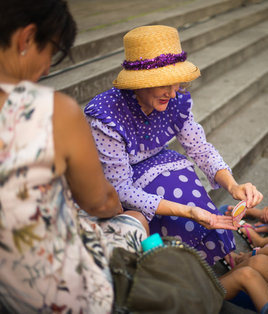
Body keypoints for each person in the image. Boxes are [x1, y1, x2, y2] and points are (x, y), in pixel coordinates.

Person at [0, 1, 149, 312]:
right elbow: (100, 202)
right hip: (56, 294)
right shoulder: (51, 111)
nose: (45, 69)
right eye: (53, 53)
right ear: (27, 38)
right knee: (135, 219)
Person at [84, 24, 263, 265]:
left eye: (175, 82)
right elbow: (121, 188)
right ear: (140, 83)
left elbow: (200, 148)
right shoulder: (107, 116)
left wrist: (232, 185)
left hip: (159, 164)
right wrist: (186, 211)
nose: (172, 92)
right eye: (163, 83)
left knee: (187, 187)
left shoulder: (174, 100)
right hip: (115, 180)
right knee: (184, 212)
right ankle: (185, 267)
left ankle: (211, 260)